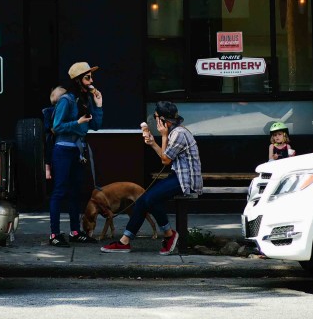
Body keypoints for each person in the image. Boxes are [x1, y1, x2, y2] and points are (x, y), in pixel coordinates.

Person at [101, 100, 201, 255]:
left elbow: (165, 160)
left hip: (186, 180)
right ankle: (127, 240)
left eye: (156, 117)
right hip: (178, 176)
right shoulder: (174, 132)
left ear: (163, 120)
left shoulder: (178, 134)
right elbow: (166, 156)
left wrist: (162, 135)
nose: (154, 120)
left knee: (148, 199)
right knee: (145, 199)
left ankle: (166, 235)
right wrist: (154, 143)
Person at [48, 62, 103, 247]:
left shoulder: (85, 99)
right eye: (87, 77)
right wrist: (77, 122)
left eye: (91, 77)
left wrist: (98, 105)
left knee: (76, 192)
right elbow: (56, 127)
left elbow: (95, 126)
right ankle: (54, 234)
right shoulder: (67, 100)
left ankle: (75, 231)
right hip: (63, 149)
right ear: (78, 80)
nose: (91, 80)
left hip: (78, 150)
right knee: (59, 191)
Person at [42, 85, 67, 181]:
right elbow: (47, 126)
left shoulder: (66, 110)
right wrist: (52, 129)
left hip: (62, 136)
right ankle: (47, 168)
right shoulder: (49, 111)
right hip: (52, 135)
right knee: (48, 147)